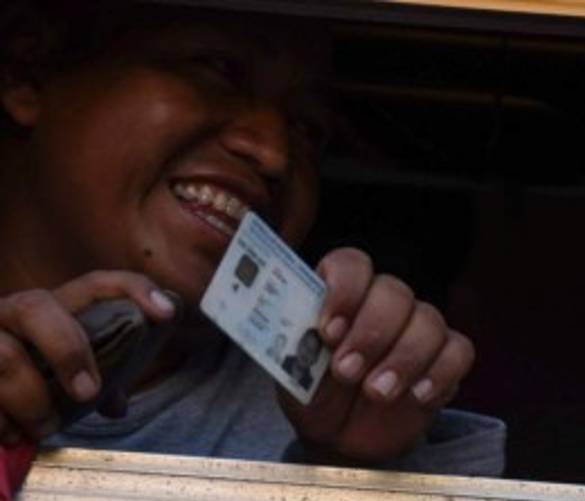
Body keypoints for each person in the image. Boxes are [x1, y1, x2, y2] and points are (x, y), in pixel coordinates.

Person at [0, 1, 504, 475]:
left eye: (308, 128)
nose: (273, 152)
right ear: (27, 73)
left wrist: (356, 473)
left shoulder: (334, 410)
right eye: (217, 70)